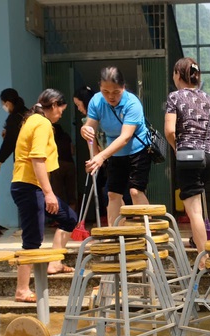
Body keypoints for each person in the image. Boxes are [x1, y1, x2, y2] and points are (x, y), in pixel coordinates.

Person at [11, 89, 78, 303]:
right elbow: (37, 158)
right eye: (61, 110)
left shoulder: (32, 120)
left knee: (69, 218)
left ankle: (55, 262)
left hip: (33, 187)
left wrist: (47, 192)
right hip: (29, 187)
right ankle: (22, 289)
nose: (60, 115)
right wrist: (49, 193)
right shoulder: (41, 123)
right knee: (32, 239)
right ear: (55, 104)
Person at [164, 57, 210, 269]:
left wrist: (178, 148)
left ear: (178, 75)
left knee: (193, 210)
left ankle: (204, 257)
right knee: (197, 199)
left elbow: (169, 130)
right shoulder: (207, 98)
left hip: (189, 155)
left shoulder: (175, 97)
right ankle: (199, 239)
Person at [80, 67, 152, 226]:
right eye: (105, 91)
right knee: (112, 194)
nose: (110, 96)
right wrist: (85, 131)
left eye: (116, 92)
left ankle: (149, 234)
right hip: (114, 153)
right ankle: (116, 235)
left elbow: (125, 137)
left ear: (123, 87)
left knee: (135, 191)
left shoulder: (132, 103)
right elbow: (90, 129)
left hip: (137, 151)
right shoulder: (96, 101)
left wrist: (101, 156)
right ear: (100, 87)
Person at [73, 85, 108, 222]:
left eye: (78, 104)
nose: (78, 108)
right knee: (107, 192)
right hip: (103, 159)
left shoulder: (100, 116)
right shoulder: (86, 122)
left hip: (112, 156)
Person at [50, 123, 77, 212]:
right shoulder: (66, 136)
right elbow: (72, 151)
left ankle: (59, 218)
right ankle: (73, 216)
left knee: (57, 192)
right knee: (71, 191)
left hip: (57, 165)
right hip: (70, 164)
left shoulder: (51, 137)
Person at [0, 88, 28, 166]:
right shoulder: (28, 113)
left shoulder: (13, 118)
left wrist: (1, 158)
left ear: (7, 103)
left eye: (3, 104)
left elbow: (10, 141)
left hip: (23, 158)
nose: (3, 106)